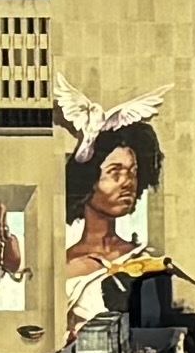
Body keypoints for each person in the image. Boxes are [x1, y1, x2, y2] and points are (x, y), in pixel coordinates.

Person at [66, 119, 166, 278]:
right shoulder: (67, 265)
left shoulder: (143, 259)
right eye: (115, 173)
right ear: (88, 179)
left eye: (132, 173)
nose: (128, 182)